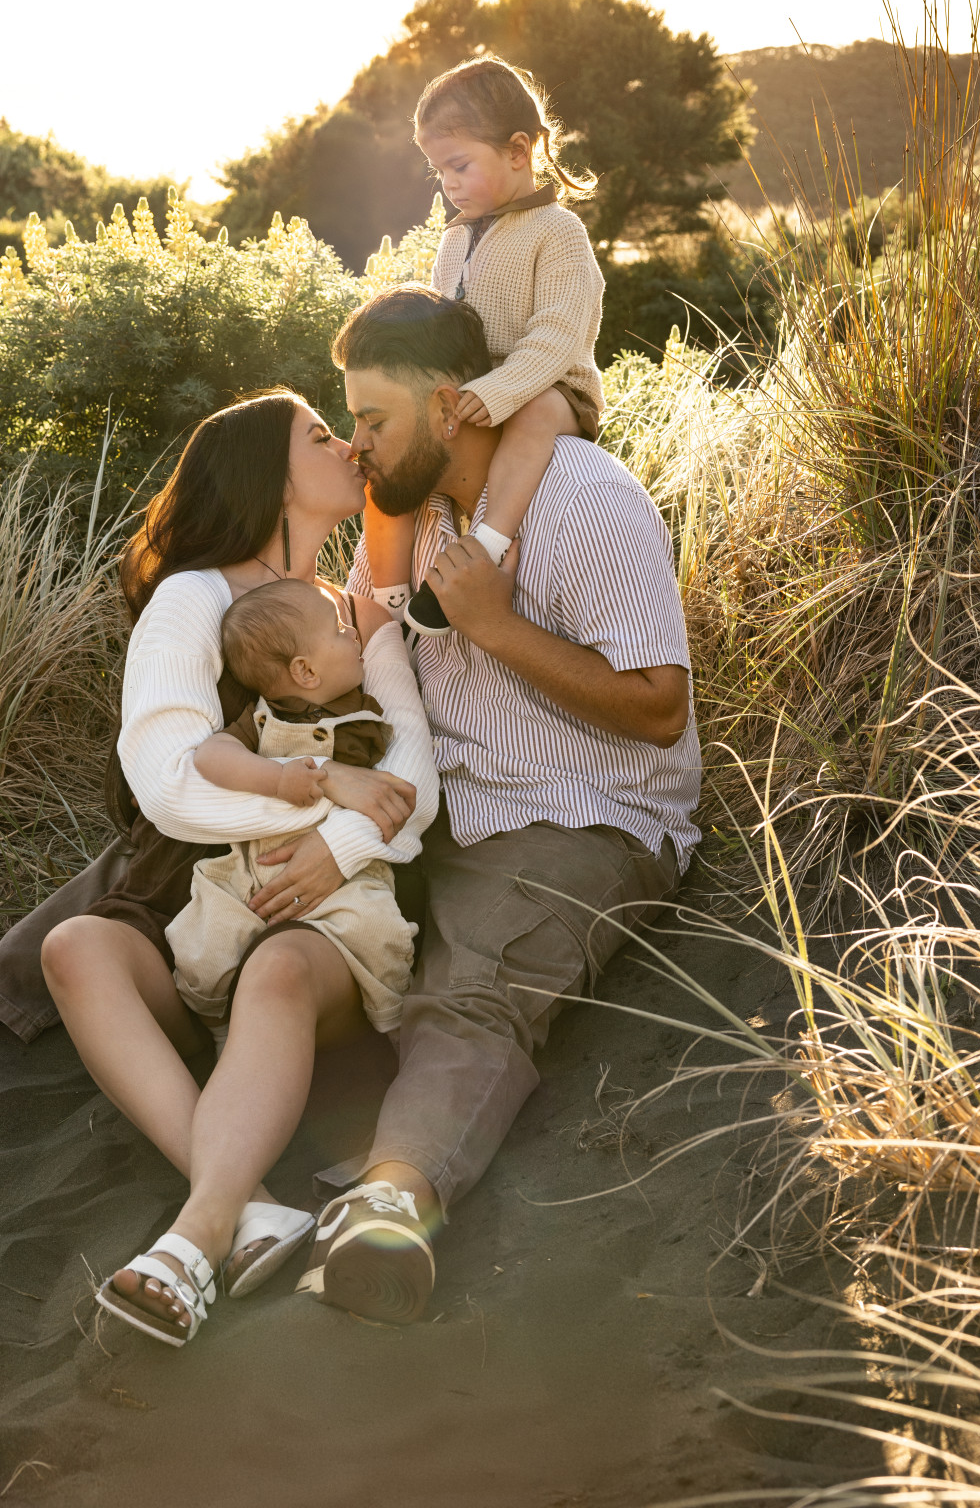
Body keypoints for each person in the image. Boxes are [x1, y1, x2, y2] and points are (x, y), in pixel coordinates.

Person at [0, 390, 437, 1345]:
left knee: (269, 963)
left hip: (320, 917)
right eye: (318, 435)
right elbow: (166, 786)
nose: (344, 444)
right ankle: (238, 1207)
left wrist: (342, 845)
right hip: (199, 908)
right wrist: (322, 799)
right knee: (79, 946)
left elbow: (408, 765)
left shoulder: (341, 600)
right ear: (267, 477)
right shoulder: (195, 598)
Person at [295, 284, 701, 1325]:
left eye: (372, 422)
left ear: (447, 406)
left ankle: (391, 1205)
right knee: (201, 842)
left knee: (471, 984)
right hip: (443, 798)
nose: (358, 447)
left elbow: (659, 711)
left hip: (578, 815)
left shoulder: (583, 500)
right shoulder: (410, 516)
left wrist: (494, 626)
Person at [363, 55, 605, 638]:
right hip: (471, 389)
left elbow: (557, 334)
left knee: (533, 415)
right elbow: (439, 324)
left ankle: (487, 544)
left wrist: (497, 390)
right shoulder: (455, 239)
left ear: (519, 152)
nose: (447, 184)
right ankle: (389, 594)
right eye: (438, 170)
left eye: (459, 165)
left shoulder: (559, 232)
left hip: (551, 387)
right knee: (389, 443)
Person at [169, 578, 424, 1034]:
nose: (352, 634)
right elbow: (210, 756)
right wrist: (279, 777)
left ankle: (392, 1026)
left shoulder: (365, 717)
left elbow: (392, 786)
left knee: (378, 931)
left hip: (342, 876)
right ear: (306, 671)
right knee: (203, 943)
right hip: (249, 868)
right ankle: (215, 1025)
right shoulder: (261, 718)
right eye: (340, 629)